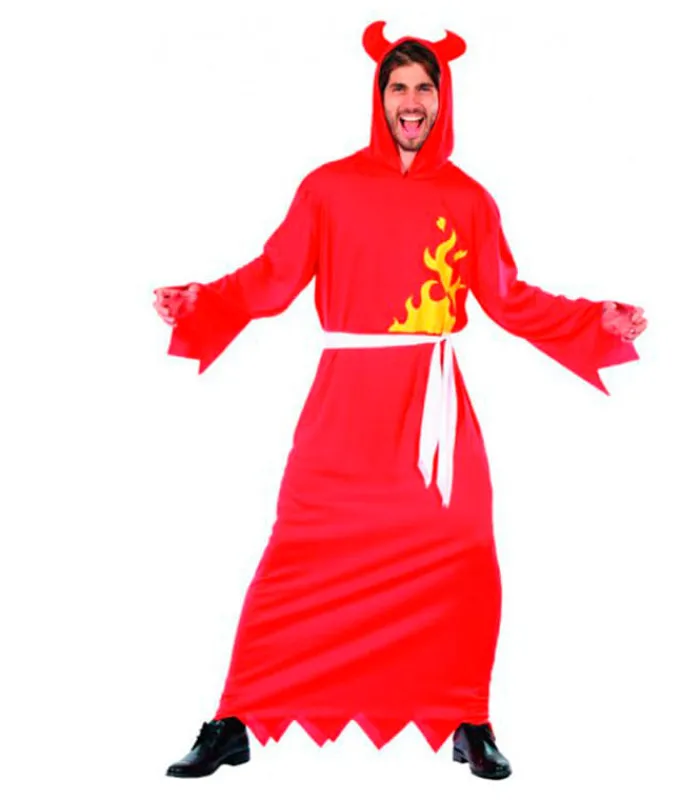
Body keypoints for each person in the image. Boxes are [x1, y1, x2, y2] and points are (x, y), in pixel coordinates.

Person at [153, 21, 647, 782]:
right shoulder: (328, 188)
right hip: (345, 405)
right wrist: (201, 301)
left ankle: (469, 719)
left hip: (432, 411)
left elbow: (509, 299)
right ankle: (233, 720)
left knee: (464, 552)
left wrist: (595, 321)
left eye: (424, 87)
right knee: (299, 551)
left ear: (442, 100)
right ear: (378, 98)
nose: (411, 101)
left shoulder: (468, 199)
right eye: (398, 87)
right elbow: (273, 277)